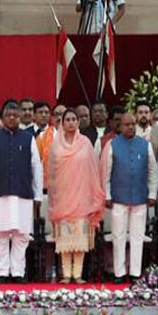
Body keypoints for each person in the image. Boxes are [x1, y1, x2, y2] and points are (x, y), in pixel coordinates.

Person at [0, 100, 43, 283]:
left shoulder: (29, 138)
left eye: (15, 115)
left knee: (21, 235)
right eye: (8, 115)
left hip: (23, 193)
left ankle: (18, 272)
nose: (12, 118)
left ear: (20, 117)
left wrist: (37, 195)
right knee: (1, 234)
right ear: (2, 117)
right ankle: (2, 272)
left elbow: (36, 168)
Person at [48, 107, 105, 284]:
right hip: (63, 198)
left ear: (78, 122)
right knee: (65, 240)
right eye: (68, 119)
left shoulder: (85, 143)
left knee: (79, 239)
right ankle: (66, 275)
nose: (71, 122)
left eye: (74, 119)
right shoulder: (56, 145)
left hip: (82, 199)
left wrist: (93, 195)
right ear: (62, 123)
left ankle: (78, 275)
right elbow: (51, 175)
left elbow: (93, 171)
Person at [104, 112, 157, 283]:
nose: (130, 128)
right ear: (120, 127)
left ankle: (135, 273)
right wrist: (107, 194)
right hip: (118, 198)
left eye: (133, 124)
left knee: (137, 237)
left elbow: (152, 172)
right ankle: (119, 272)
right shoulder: (113, 145)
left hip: (140, 198)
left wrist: (152, 194)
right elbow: (106, 173)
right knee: (118, 236)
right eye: (127, 125)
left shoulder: (145, 145)